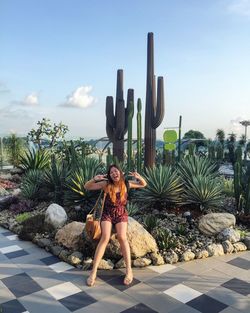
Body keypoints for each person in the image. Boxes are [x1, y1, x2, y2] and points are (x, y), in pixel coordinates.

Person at [84, 164, 147, 287]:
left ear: (120, 173)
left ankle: (129, 270)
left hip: (121, 213)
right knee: (105, 237)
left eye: (116, 171)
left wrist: (139, 177)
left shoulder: (126, 183)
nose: (114, 173)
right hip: (107, 213)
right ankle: (93, 272)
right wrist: (95, 179)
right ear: (109, 175)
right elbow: (87, 186)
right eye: (111, 172)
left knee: (122, 237)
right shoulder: (105, 184)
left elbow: (143, 184)